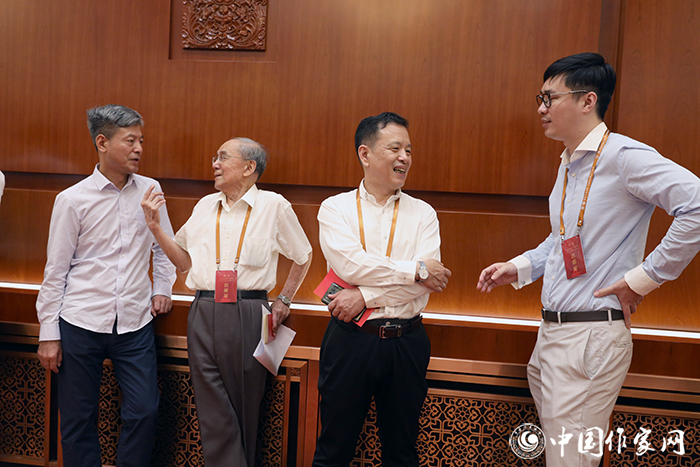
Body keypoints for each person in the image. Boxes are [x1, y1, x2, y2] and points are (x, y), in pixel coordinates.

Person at [477, 53, 700, 466]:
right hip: (553, 333)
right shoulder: (569, 162)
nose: (541, 108)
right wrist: (521, 266)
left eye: (549, 97)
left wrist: (644, 278)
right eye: (540, 98)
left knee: (570, 461)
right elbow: (564, 239)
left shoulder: (624, 156)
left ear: (587, 100)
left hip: (589, 336)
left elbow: (697, 205)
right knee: (564, 458)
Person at [141, 137, 312, 467]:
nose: (214, 164)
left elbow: (303, 256)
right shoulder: (205, 205)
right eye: (215, 158)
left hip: (249, 310)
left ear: (249, 167)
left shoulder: (274, 206)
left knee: (244, 408)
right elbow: (183, 262)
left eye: (223, 158)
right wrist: (155, 228)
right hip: (203, 309)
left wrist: (284, 299)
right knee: (212, 409)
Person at [36, 104, 177, 466]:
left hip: (134, 322)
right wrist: (49, 333)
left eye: (141, 140)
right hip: (80, 320)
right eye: (130, 140)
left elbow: (164, 247)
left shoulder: (151, 189)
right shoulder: (72, 199)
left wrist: (162, 287)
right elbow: (56, 269)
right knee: (78, 418)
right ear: (102, 142)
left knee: (144, 410)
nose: (139, 149)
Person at [312, 112, 451, 467]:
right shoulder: (335, 208)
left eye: (409, 150)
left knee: (402, 452)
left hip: (407, 341)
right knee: (333, 450)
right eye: (395, 148)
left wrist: (364, 296)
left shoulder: (423, 213)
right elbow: (351, 266)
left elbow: (426, 285)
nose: (405, 157)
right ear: (365, 154)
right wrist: (413, 270)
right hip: (351, 339)